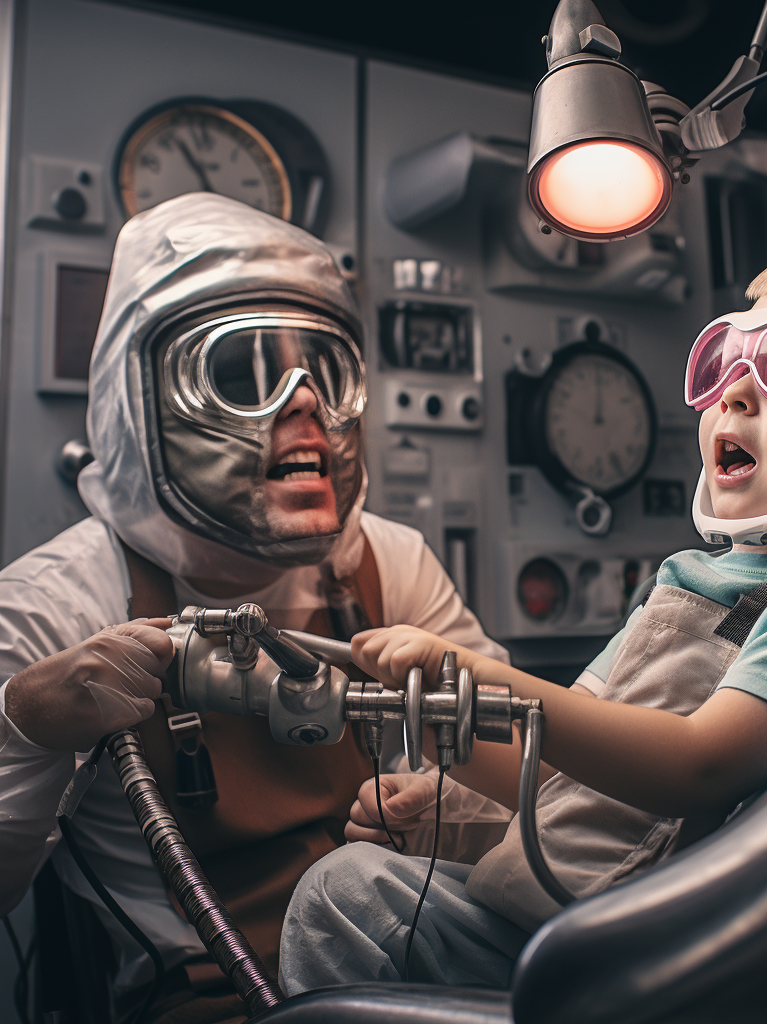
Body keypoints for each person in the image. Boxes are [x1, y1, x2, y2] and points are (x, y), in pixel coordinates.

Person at [278, 240, 767, 992]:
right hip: (555, 914)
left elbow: (694, 766)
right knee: (352, 889)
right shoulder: (683, 582)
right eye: (726, 362)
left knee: (346, 898)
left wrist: (474, 671)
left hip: (658, 959)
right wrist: (440, 728)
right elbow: (560, 764)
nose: (736, 394)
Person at [0, 193, 506, 1022]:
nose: (304, 406)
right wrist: (21, 731)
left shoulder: (389, 561)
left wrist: (439, 810)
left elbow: (521, 768)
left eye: (324, 371)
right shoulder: (51, 606)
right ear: (142, 405)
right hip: (211, 993)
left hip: (395, 963)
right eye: (239, 376)